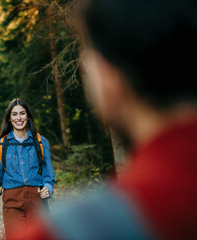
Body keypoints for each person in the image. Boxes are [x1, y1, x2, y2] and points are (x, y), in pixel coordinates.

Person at [11, 0, 197, 239]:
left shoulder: (64, 231)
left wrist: (48, 187)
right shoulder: (1, 144)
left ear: (108, 76)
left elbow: (48, 172)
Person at [0, 98, 55, 239]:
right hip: (12, 204)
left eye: (22, 113)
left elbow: (48, 175)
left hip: (37, 202)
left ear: (28, 116)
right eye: (14, 114)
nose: (19, 118)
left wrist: (48, 187)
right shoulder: (0, 145)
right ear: (9, 119)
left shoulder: (41, 142)